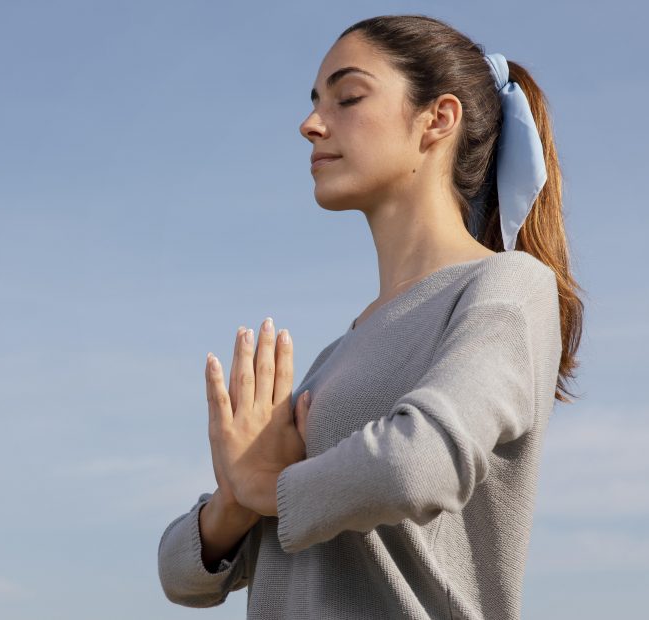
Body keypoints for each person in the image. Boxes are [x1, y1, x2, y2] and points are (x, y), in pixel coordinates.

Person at [158, 14, 584, 620]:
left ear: (437, 119)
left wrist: (269, 489)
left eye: (348, 97)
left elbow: (418, 465)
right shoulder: (337, 357)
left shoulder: (507, 287)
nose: (311, 124)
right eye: (314, 102)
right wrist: (235, 500)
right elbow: (181, 575)